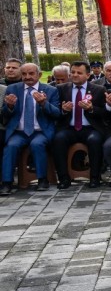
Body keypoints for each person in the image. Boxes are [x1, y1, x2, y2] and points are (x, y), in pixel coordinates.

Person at [0, 63, 60, 195]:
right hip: (19, 132)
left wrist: (44, 104)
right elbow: (5, 114)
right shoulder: (12, 89)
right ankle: (6, 183)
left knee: (37, 144)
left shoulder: (50, 90)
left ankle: (42, 179)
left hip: (40, 131)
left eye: (31, 74)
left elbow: (57, 113)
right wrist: (9, 107)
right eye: (24, 74)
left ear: (39, 75)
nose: (27, 77)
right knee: (10, 146)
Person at [52, 62, 107, 189]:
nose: (75, 75)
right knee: (58, 139)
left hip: (90, 128)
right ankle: (64, 178)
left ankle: (95, 177)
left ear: (88, 75)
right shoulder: (61, 89)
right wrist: (64, 110)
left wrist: (92, 108)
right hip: (68, 128)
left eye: (79, 72)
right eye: (73, 72)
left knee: (95, 140)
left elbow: (105, 113)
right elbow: (55, 112)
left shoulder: (98, 90)